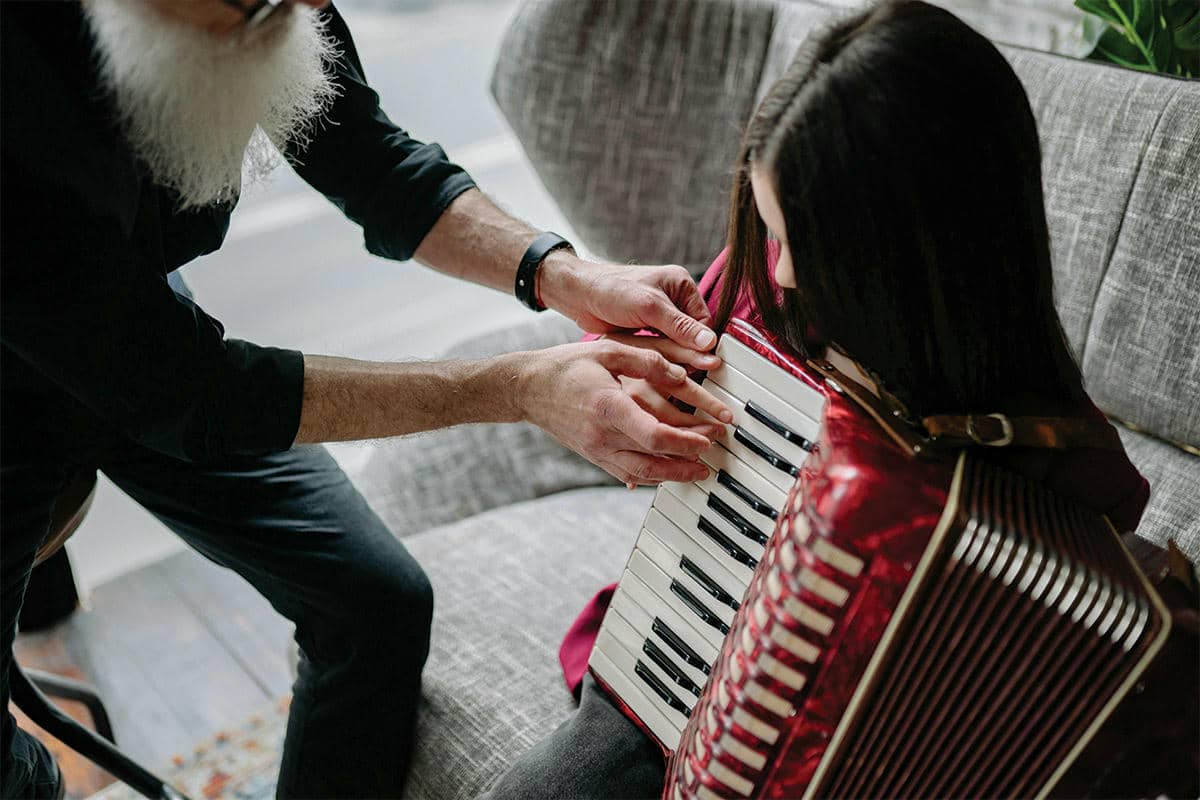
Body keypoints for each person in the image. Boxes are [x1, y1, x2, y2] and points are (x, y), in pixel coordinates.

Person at [0, 1, 738, 797]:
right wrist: (518, 388)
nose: (308, 8)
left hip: (141, 325)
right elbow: (199, 395)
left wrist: (564, 275)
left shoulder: (279, 5)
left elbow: (371, 160)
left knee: (374, 606)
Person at [482, 1, 1151, 798]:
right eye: (772, 229)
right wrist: (642, 399)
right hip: (681, 668)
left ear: (916, 251)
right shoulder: (763, 292)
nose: (783, 270)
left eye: (805, 241)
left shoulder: (1070, 465)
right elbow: (667, 393)